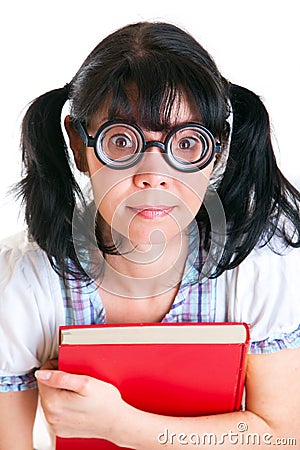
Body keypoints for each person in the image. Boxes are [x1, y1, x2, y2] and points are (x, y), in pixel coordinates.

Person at [0, 21, 299, 449]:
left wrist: (121, 425)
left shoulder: (258, 263)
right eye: (121, 142)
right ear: (79, 145)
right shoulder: (22, 288)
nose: (153, 176)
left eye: (186, 144)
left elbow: (283, 437)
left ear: (217, 149)